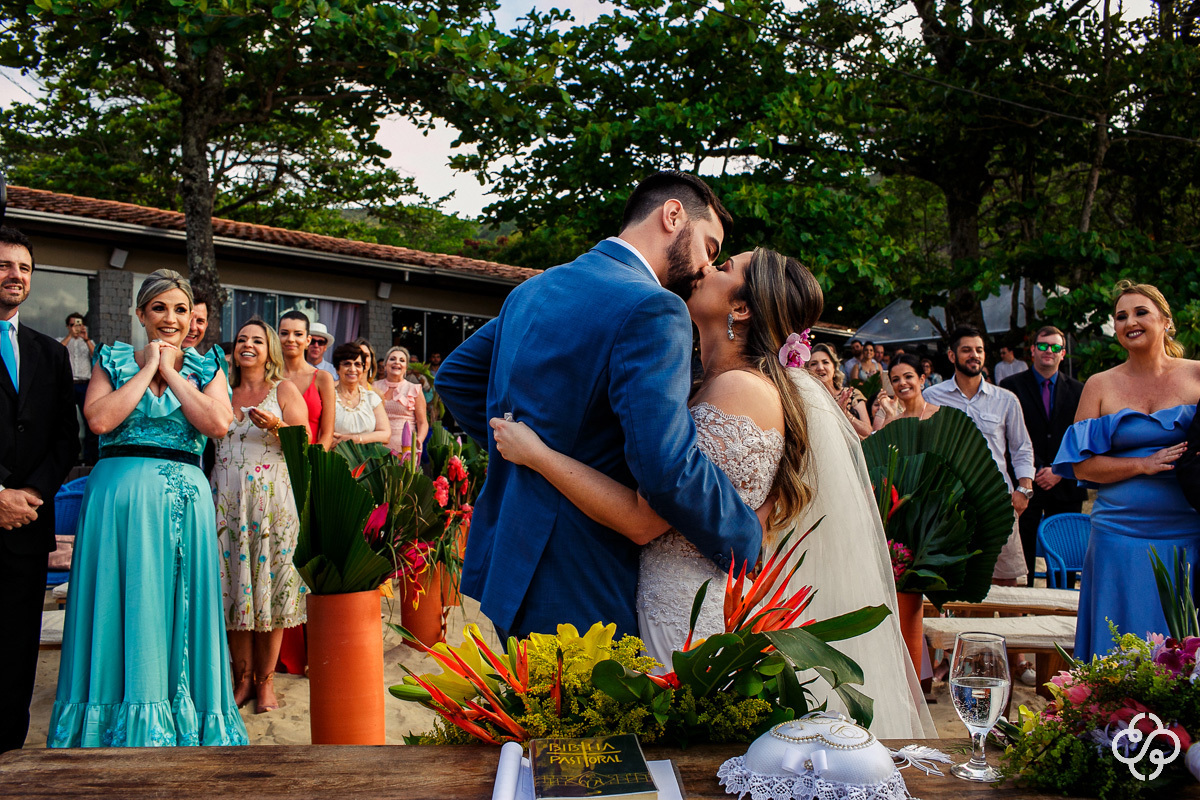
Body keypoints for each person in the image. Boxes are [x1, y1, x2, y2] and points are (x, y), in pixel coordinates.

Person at [491, 248, 934, 739]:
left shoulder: (739, 393)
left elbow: (644, 520)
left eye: (724, 268)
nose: (706, 268)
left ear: (741, 309)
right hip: (669, 605)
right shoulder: (713, 384)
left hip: (689, 622)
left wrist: (537, 455)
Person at [435, 171, 762, 641]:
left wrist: (529, 454)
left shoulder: (534, 289)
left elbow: (457, 377)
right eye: (709, 248)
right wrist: (749, 541)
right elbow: (666, 468)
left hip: (511, 564)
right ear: (673, 216)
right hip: (584, 574)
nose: (706, 268)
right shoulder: (653, 308)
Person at [49, 269, 247, 747]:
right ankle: (114, 721)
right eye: (159, 308)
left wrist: (173, 372)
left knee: (181, 607)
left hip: (184, 502)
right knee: (123, 602)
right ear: (141, 314)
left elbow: (218, 423)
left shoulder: (208, 367)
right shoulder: (112, 359)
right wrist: (146, 370)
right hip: (117, 504)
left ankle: (184, 719)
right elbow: (98, 419)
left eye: (181, 309)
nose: (171, 318)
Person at [1054, 281, 1200, 660]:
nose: (1129, 322)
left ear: (1166, 322)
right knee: (1115, 645)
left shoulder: (1197, 376)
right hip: (1117, 534)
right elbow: (1081, 465)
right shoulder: (1100, 385)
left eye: (1140, 313)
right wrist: (1142, 464)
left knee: (1181, 645)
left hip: (1186, 532)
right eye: (1121, 316)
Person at [0, 227, 79, 753]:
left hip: (26, 528)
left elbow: (65, 440)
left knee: (15, 648)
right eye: (5, 265)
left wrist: (29, 495)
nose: (15, 276)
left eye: (25, 268)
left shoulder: (50, 352)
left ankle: (9, 750)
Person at [212, 319, 308, 713]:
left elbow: (304, 444)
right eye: (241, 340)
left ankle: (266, 683)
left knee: (271, 596)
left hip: (272, 503)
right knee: (235, 594)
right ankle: (242, 681)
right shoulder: (220, 390)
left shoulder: (282, 389)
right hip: (226, 502)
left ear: (269, 349)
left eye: (256, 340)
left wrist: (277, 426)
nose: (247, 345)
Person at [924, 326, 1035, 585]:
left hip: (999, 502)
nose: (974, 355)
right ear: (952, 356)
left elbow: (1022, 447)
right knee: (960, 583)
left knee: (1007, 583)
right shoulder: (931, 396)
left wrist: (1024, 490)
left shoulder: (1006, 400)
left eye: (979, 350)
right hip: (951, 504)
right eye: (966, 350)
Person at [1000, 326, 1087, 587]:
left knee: (1064, 554)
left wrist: (1060, 470)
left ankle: (1060, 607)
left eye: (1056, 347)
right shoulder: (1010, 387)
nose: (1049, 351)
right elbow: (1008, 437)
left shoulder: (1080, 390)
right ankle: (1023, 609)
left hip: (1066, 483)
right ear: (1032, 350)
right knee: (1022, 552)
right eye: (1043, 345)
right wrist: (1033, 471)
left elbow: (1082, 437)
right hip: (1026, 483)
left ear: (1063, 354)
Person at [278, 311, 335, 450]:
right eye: (284, 333)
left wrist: (314, 463)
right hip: (269, 461)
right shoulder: (269, 376)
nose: (291, 339)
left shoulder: (323, 378)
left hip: (309, 460)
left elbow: (327, 433)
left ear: (307, 340)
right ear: (277, 337)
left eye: (298, 334)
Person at [806, 342, 871, 439]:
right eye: (814, 364)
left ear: (834, 367)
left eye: (825, 362)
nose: (820, 368)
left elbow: (867, 431)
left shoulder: (852, 394)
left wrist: (845, 414)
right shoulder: (808, 401)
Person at [331, 342, 390, 446]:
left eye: (357, 364)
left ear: (363, 368)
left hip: (369, 459)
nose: (353, 369)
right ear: (337, 369)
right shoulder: (328, 397)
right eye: (347, 364)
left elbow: (385, 434)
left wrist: (355, 439)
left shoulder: (371, 398)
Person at [375, 346, 428, 456]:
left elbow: (422, 422)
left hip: (406, 450)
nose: (397, 362)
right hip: (378, 449)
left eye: (402, 360)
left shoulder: (414, 389)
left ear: (406, 367)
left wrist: (419, 439)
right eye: (392, 359)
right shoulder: (374, 387)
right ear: (385, 365)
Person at [62, 311, 98, 464]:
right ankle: (69, 458)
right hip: (68, 385)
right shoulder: (62, 341)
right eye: (72, 325)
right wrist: (70, 336)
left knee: (89, 422)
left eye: (78, 324)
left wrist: (86, 338)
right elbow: (56, 353)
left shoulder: (88, 342)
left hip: (85, 385)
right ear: (67, 326)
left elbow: (96, 356)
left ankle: (90, 458)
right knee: (66, 422)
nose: (75, 327)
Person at [873, 354, 940, 430]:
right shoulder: (893, 421)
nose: (902, 383)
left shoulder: (939, 415)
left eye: (908, 376)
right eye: (895, 380)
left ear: (922, 379)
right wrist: (889, 414)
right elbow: (884, 441)